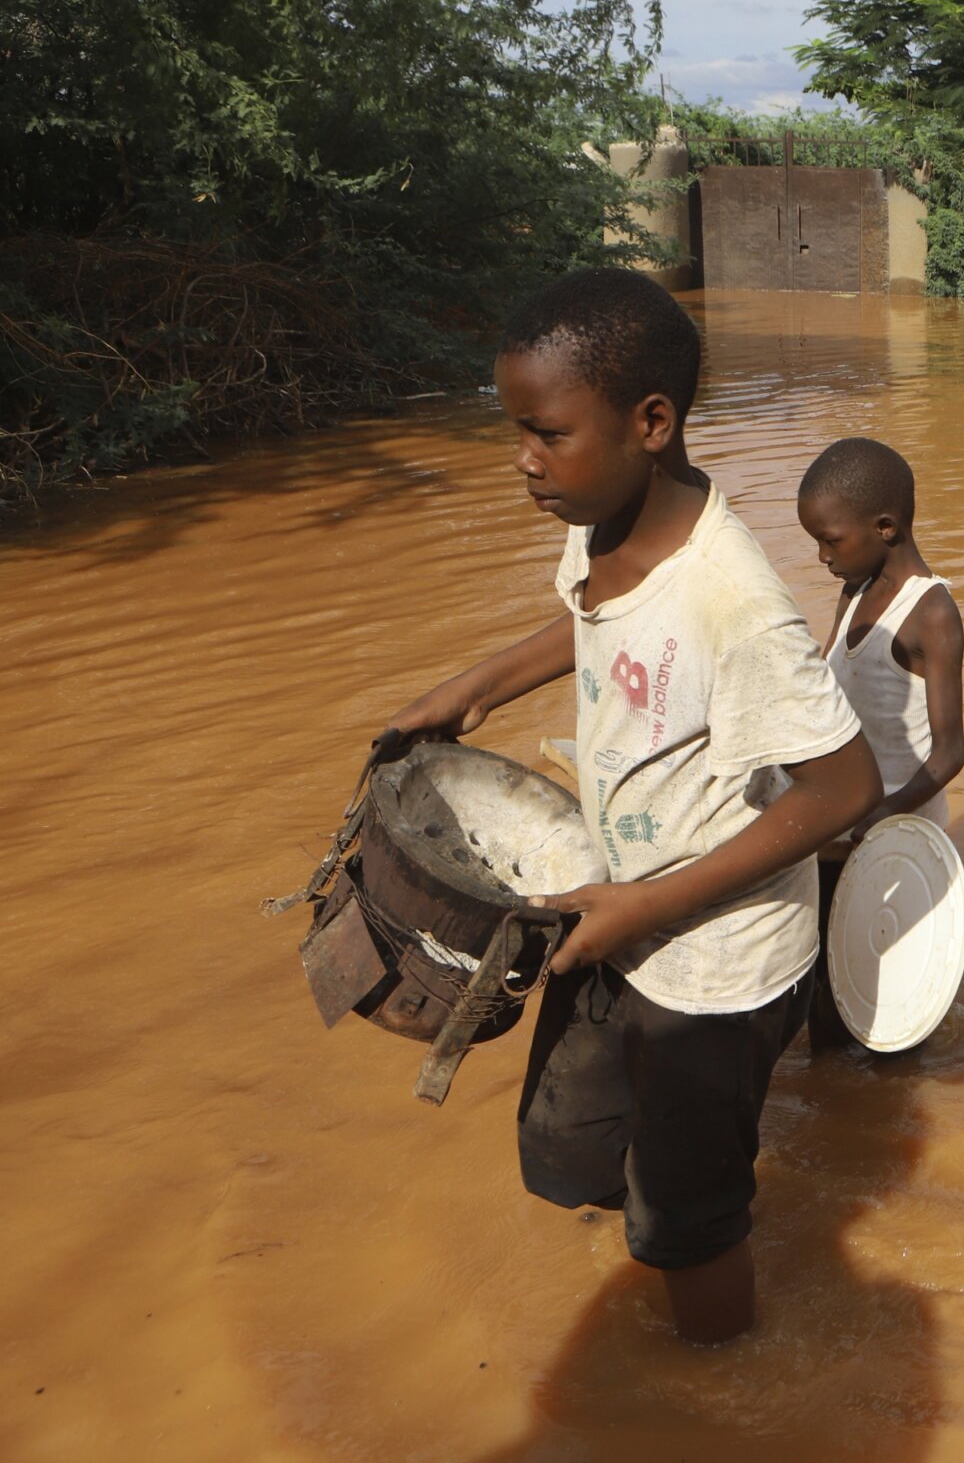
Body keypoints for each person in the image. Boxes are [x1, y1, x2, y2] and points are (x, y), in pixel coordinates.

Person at [376, 268, 882, 1345]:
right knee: (569, 1149)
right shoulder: (601, 519)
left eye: (545, 431)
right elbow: (588, 617)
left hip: (715, 961)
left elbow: (846, 789)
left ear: (651, 421)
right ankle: (650, 1236)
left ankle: (719, 1392)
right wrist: (469, 688)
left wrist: (644, 909)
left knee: (691, 1221)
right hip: (617, 909)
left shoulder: (734, 600)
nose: (523, 458)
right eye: (515, 428)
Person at [794, 437, 964, 1041]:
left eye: (830, 540)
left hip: (894, 837)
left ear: (885, 526)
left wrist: (883, 814)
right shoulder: (855, 590)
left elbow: (950, 754)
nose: (821, 556)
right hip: (839, 830)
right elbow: (823, 689)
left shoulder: (932, 614)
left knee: (892, 1004)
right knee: (826, 991)